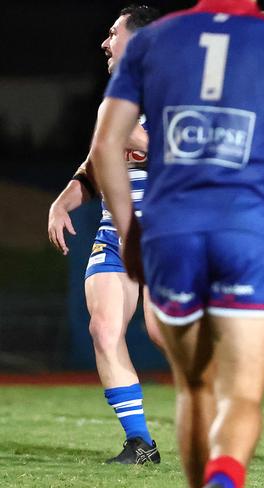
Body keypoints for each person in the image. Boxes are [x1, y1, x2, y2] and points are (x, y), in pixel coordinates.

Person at [90, 0, 264, 487]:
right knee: (242, 396)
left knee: (194, 389)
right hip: (247, 230)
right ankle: (224, 477)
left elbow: (104, 146)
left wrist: (130, 232)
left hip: (174, 230)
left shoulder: (158, 39)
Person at [47, 5, 163, 465]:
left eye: (114, 33)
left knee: (160, 331)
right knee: (103, 326)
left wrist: (133, 136)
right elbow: (95, 169)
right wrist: (64, 199)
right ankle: (141, 443)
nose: (105, 41)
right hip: (116, 231)